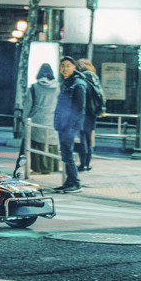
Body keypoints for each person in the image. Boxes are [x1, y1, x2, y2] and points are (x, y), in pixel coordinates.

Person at [53, 56, 86, 193]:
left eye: (68, 66)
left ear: (74, 67)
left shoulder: (78, 84)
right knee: (65, 154)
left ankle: (76, 182)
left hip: (70, 126)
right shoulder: (66, 83)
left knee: (68, 153)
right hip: (63, 124)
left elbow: (79, 108)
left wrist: (71, 126)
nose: (65, 69)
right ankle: (69, 181)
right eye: (62, 66)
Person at [24, 63, 60, 174]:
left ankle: (37, 168)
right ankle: (50, 168)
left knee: (35, 144)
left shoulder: (34, 88)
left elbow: (28, 105)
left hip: (36, 121)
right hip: (52, 120)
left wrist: (24, 119)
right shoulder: (59, 87)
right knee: (50, 144)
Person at [75, 58, 105, 172]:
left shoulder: (83, 77)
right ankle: (87, 163)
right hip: (92, 112)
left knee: (83, 138)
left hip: (85, 112)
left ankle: (83, 164)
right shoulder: (94, 77)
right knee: (88, 139)